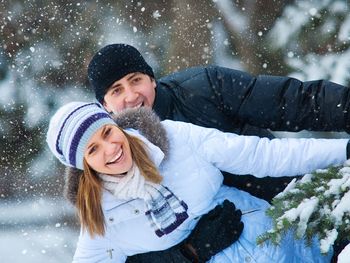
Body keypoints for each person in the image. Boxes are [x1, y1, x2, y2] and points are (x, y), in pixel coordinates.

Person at [47, 101, 350, 263]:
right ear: (83, 165)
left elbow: (263, 155)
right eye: (93, 149)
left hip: (287, 245)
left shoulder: (177, 139)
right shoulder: (101, 218)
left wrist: (343, 151)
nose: (110, 148)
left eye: (107, 133)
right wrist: (188, 254)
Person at [87, 43, 350, 202]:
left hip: (292, 196)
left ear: (152, 79)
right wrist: (186, 252)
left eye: (136, 80)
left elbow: (291, 101)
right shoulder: (111, 156)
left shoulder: (203, 87)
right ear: (105, 105)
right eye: (117, 90)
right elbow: (126, 235)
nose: (132, 96)